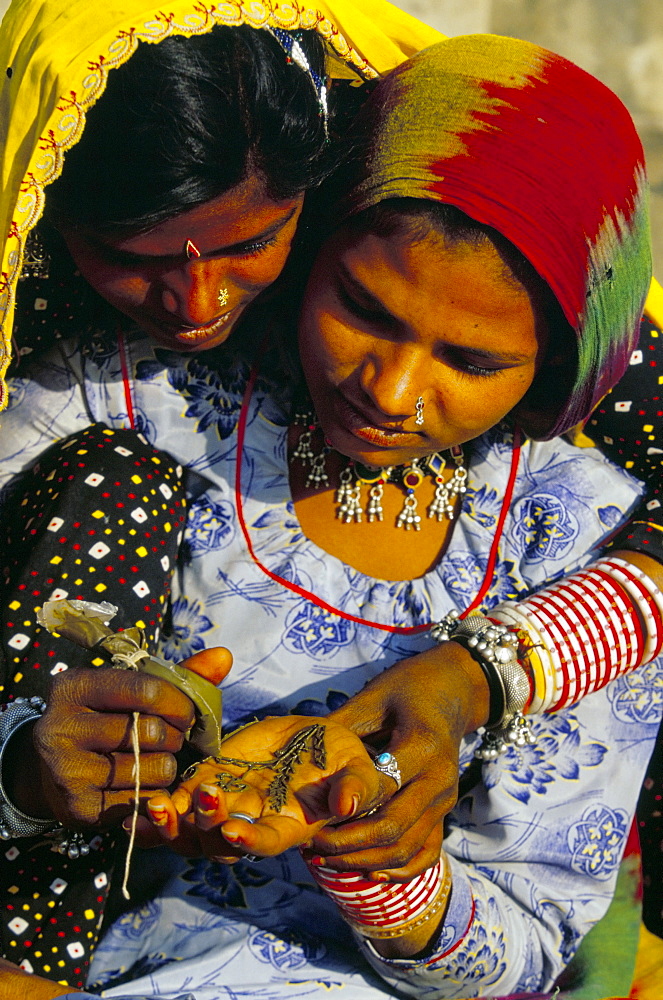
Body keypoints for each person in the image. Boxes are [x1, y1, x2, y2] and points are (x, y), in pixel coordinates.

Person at [2, 31, 661, 998]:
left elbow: (523, 951)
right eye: (362, 306)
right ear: (316, 236)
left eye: (471, 363)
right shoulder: (128, 397)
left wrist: (386, 866)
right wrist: (27, 768)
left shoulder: (575, 540)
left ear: (563, 365)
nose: (391, 389)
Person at [0, 0, 443, 994]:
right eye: (138, 258)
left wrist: (477, 675)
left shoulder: (416, 248)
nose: (198, 306)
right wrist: (21, 773)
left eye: (256, 241)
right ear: (39, 204)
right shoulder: (31, 306)